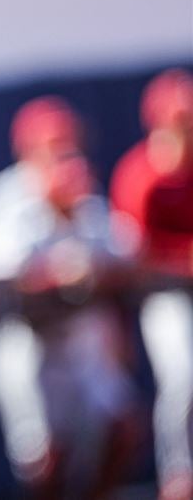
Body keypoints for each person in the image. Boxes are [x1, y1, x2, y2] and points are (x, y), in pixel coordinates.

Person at [0, 96, 141, 497]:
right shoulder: (7, 195)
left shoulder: (80, 185)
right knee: (44, 457)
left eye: (68, 139)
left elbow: (124, 253)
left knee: (123, 428)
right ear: (27, 146)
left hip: (83, 333)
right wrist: (54, 269)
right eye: (52, 141)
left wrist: (90, 268)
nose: (63, 148)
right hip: (27, 335)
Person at [109, 68, 193, 500]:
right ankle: (179, 476)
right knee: (182, 377)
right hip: (163, 294)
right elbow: (134, 262)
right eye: (178, 117)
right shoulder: (140, 172)